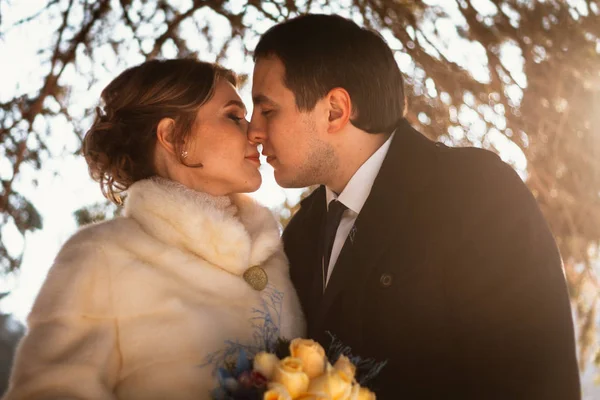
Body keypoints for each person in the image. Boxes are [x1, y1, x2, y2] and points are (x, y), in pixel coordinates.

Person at [248, 13, 580, 399]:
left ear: (335, 110)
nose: (253, 131)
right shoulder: (302, 232)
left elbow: (537, 383)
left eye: (268, 110)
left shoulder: (473, 192)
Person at [3, 59, 304, 400]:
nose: (254, 131)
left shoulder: (275, 255)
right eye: (234, 116)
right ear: (173, 136)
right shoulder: (100, 256)